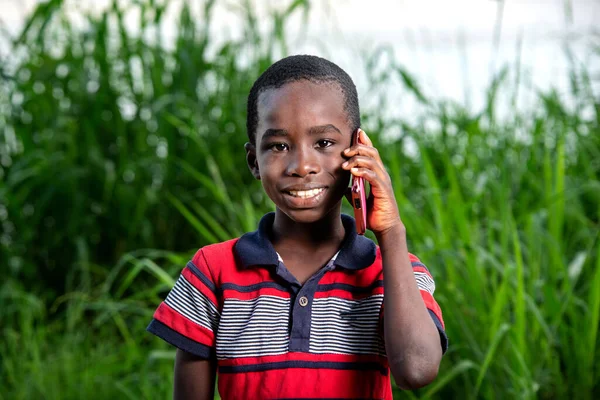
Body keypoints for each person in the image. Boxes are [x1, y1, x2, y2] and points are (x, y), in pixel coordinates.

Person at [147, 55, 448, 400]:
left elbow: (417, 370)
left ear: (358, 151)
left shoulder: (397, 273)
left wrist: (391, 232)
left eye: (323, 144)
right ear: (253, 161)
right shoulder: (213, 271)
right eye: (278, 146)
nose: (302, 166)